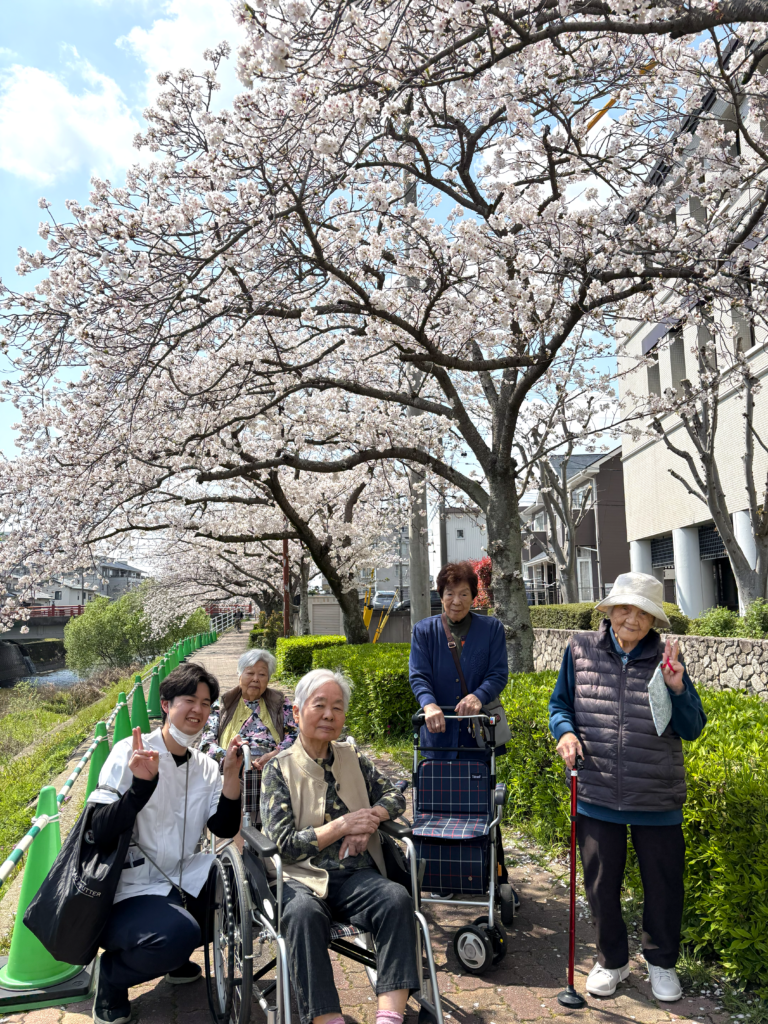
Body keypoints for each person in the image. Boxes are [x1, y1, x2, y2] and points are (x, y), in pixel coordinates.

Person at [548, 572, 707, 1002]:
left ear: (654, 620)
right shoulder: (579, 650)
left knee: (663, 884)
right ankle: (612, 960)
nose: (631, 618)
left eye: (642, 612)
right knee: (600, 885)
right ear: (610, 611)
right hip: (598, 791)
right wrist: (564, 732)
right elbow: (560, 704)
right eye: (624, 608)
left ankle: (662, 964)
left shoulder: (667, 658)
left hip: (656, 795)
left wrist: (677, 690)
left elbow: (692, 728)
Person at [87, 663, 245, 1024]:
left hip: (180, 878)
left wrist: (231, 776)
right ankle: (112, 977)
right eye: (189, 699)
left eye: (206, 703)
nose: (198, 710)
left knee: (238, 891)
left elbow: (222, 826)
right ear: (165, 703)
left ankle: (173, 956)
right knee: (178, 934)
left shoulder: (205, 765)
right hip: (127, 891)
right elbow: (98, 830)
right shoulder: (130, 751)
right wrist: (139, 788)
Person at [261, 668, 420, 1024]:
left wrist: (371, 818)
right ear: (297, 713)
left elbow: (395, 795)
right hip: (298, 879)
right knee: (302, 915)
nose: (330, 715)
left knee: (396, 899)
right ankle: (326, 1019)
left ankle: (389, 1017)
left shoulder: (353, 757)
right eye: (319, 705)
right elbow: (282, 845)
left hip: (354, 875)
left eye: (337, 707)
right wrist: (341, 825)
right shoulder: (278, 769)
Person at [409, 560, 509, 759]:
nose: (456, 601)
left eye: (463, 594)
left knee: (479, 787)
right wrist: (429, 705)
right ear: (441, 596)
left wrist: (478, 696)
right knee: (438, 788)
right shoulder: (424, 631)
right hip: (438, 733)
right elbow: (419, 676)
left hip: (478, 734)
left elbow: (497, 674)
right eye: (450, 594)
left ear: (473, 596)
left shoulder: (491, 629)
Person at [200, 648, 298, 820]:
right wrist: (233, 760)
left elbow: (295, 736)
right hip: (233, 767)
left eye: (262, 674)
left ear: (268, 678)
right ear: (239, 674)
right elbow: (206, 745)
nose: (255, 679)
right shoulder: (221, 705)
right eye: (250, 673)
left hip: (272, 766)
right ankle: (237, 840)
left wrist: (276, 755)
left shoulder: (281, 702)